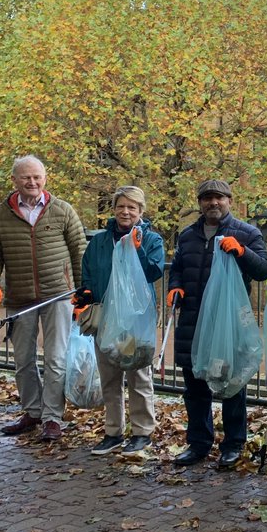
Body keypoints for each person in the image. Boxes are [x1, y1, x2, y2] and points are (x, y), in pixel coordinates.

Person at [166, 179, 267, 470]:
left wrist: (242, 251)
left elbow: (264, 270)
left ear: (229, 200)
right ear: (200, 202)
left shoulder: (247, 233)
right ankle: (198, 443)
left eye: (219, 198)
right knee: (195, 387)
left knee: (232, 385)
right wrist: (174, 286)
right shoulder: (187, 236)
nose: (213, 203)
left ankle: (233, 444)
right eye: (207, 198)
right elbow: (177, 269)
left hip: (227, 324)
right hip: (192, 320)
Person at [0, 155, 87, 442]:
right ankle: (33, 411)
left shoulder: (63, 210)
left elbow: (80, 252)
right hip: (19, 298)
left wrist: (84, 293)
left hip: (59, 296)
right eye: (26, 177)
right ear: (14, 180)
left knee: (56, 357)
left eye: (37, 176)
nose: (32, 182)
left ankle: (52, 417)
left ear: (45, 178)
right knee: (23, 359)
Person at [76, 186, 166, 455]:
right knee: (110, 376)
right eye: (121, 206)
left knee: (138, 374)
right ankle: (112, 432)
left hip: (137, 319)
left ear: (141, 211)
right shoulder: (100, 242)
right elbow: (88, 275)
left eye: (132, 207)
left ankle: (142, 432)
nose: (126, 211)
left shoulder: (151, 240)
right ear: (114, 209)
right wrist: (84, 301)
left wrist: (137, 249)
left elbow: (154, 271)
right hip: (106, 317)